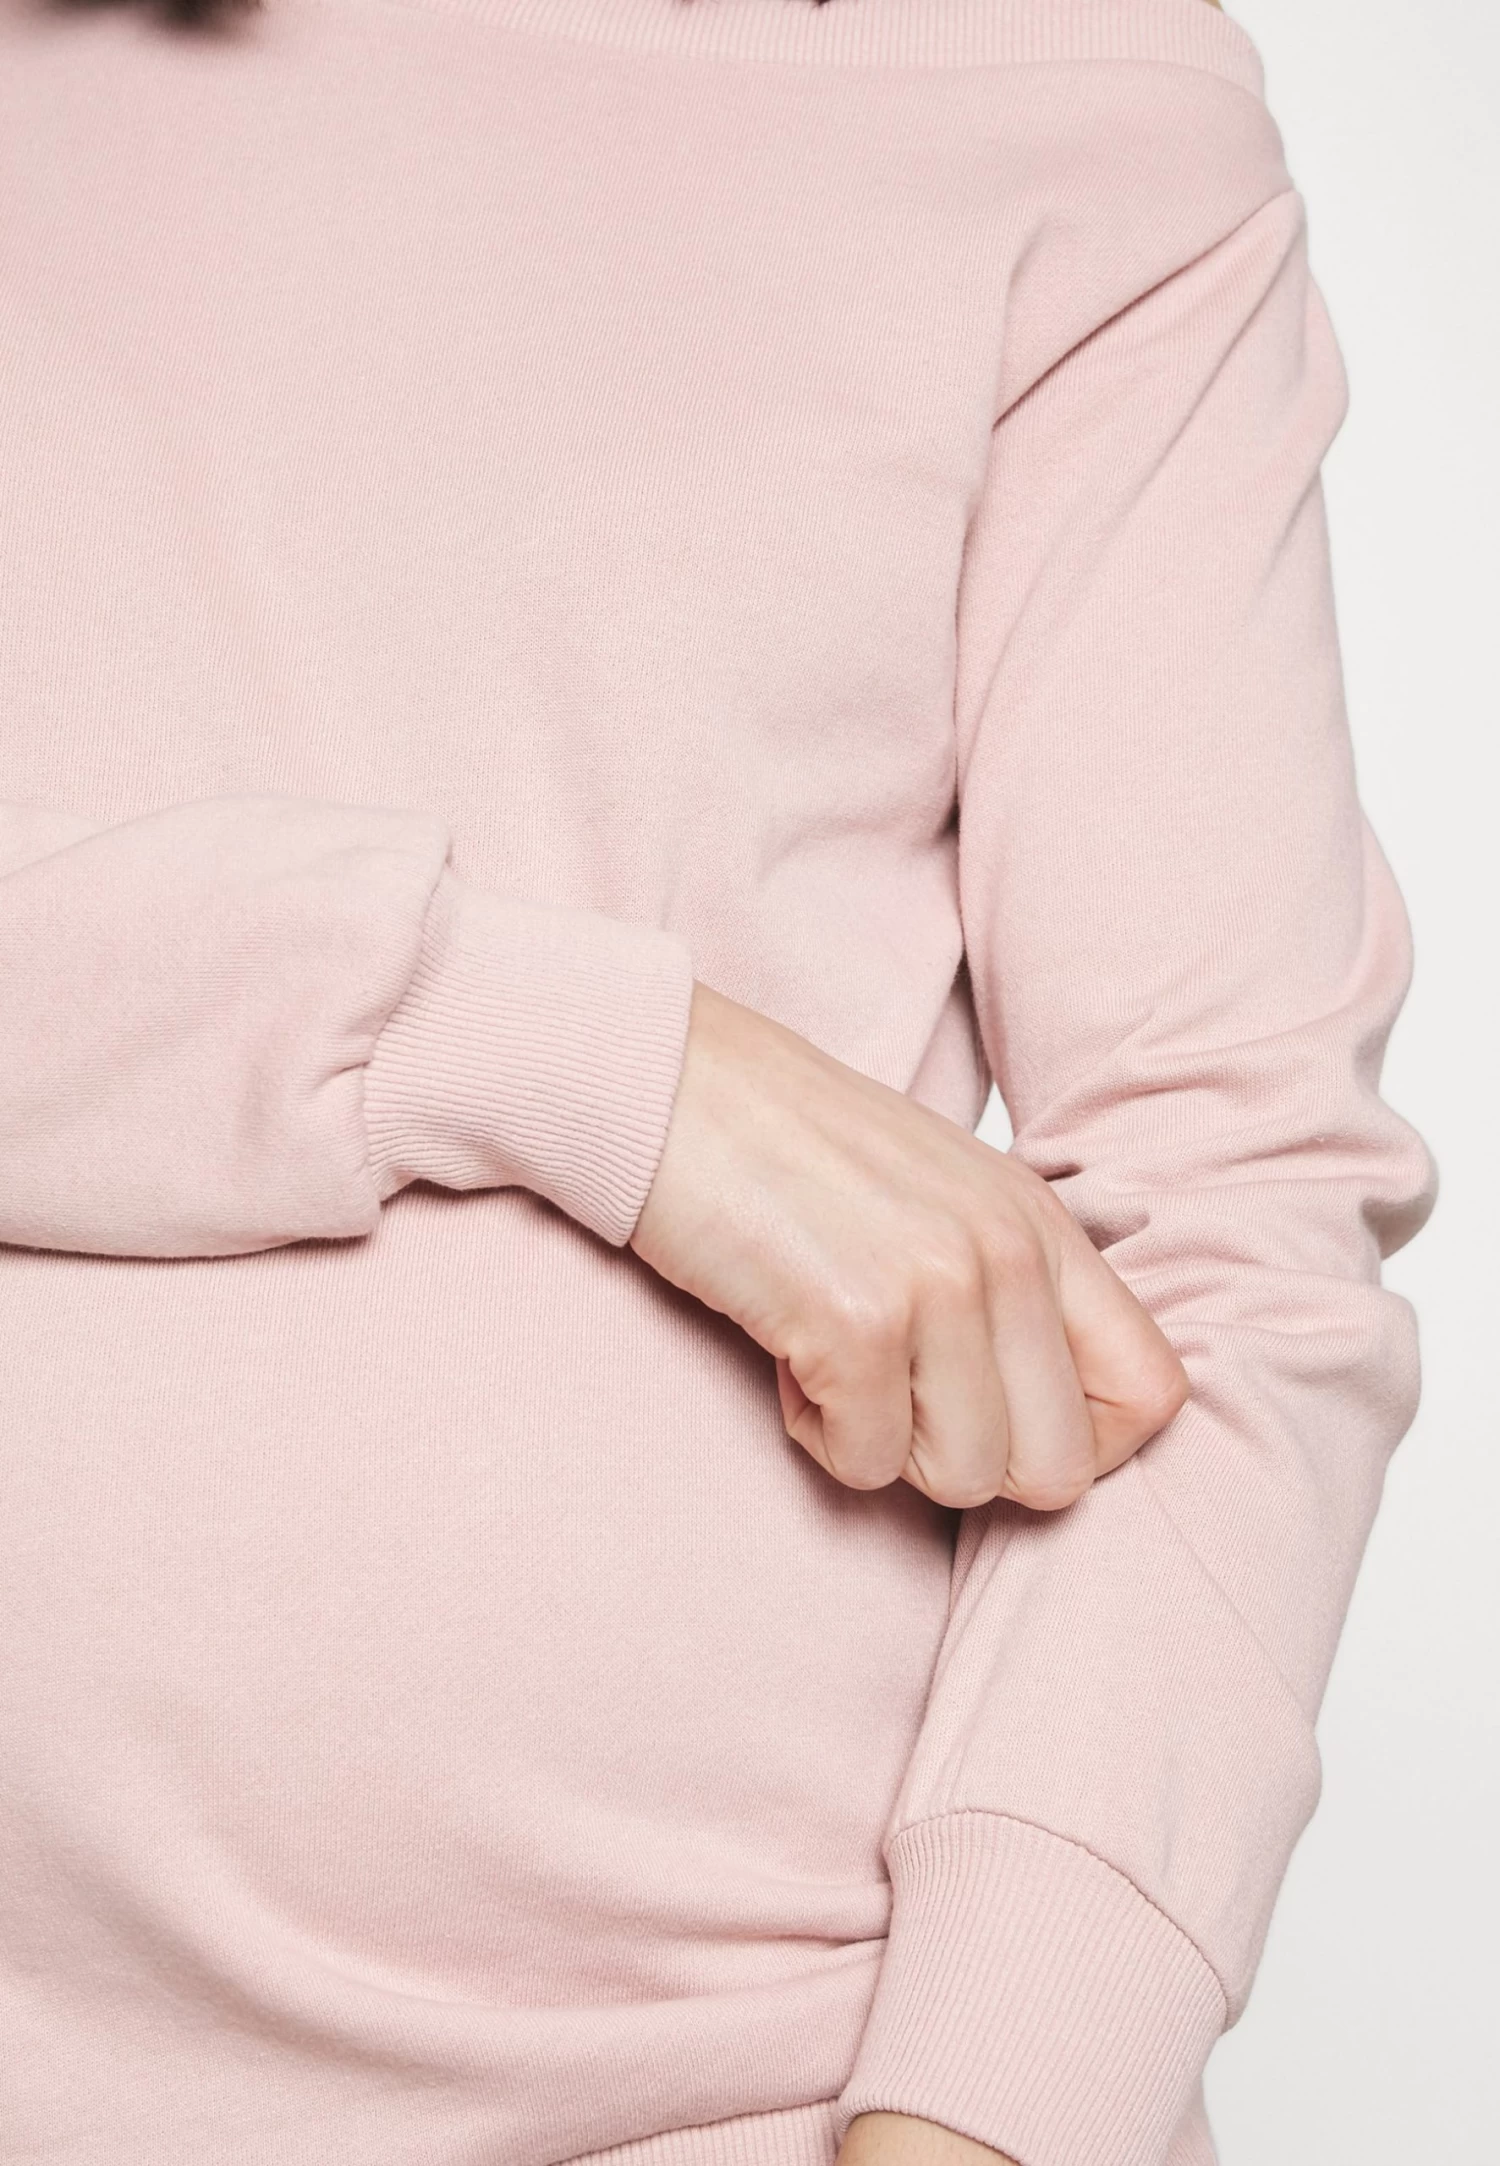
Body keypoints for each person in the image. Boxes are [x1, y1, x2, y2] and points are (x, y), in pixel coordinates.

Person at [0, 2, 1437, 2163]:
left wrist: (994, 2103)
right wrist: (572, 1058)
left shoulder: (1071, 93)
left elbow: (1225, 1217)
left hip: (755, 2082)